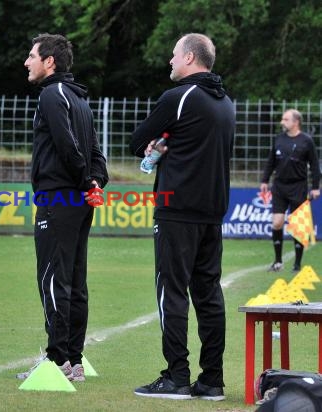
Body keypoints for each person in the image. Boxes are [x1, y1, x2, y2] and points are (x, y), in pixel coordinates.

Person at [129, 33, 234, 401]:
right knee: (208, 295)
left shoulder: (179, 97)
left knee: (171, 292)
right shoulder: (226, 103)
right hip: (212, 211)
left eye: (174, 55)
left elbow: (136, 139)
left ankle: (176, 377)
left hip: (177, 210)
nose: (169, 62)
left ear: (190, 57)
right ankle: (212, 381)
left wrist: (154, 147)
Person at [16, 33, 109, 382]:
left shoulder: (52, 95)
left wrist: (87, 182)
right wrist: (96, 181)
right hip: (79, 201)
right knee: (73, 280)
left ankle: (57, 361)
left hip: (59, 198)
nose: (27, 62)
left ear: (49, 61)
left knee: (53, 278)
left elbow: (68, 146)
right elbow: (96, 152)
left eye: (31, 55)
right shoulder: (77, 98)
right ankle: (74, 359)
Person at [260, 109, 320, 272]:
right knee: (277, 222)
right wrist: (265, 180)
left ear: (295, 122)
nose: (282, 122)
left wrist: (315, 187)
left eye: (285, 119)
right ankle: (278, 261)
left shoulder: (306, 141)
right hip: (279, 186)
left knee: (298, 226)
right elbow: (270, 161)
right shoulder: (278, 139)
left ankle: (297, 264)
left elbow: (315, 165)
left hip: (298, 187)